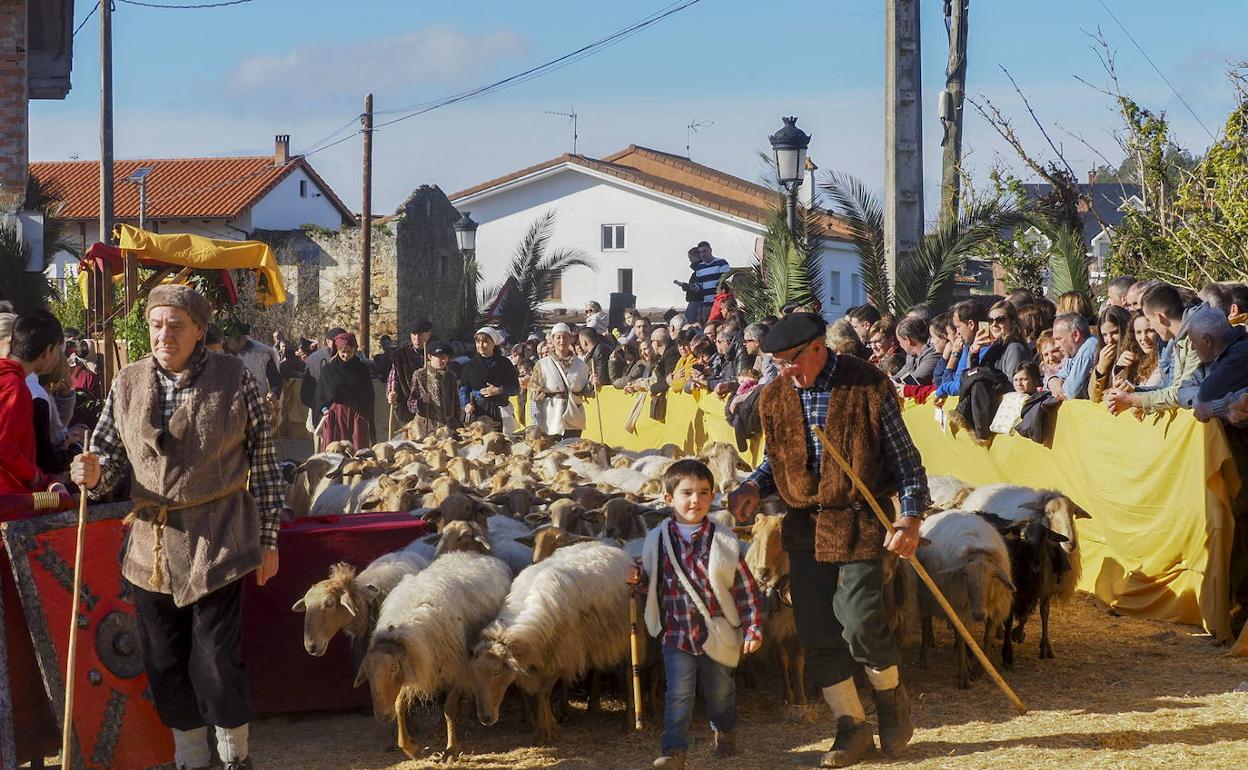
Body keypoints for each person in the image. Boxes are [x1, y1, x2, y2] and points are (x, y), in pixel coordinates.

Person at [69, 284, 281, 770]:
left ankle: (234, 758)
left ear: (199, 331)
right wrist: (95, 473)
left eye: (176, 325)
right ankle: (190, 759)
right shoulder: (127, 383)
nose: (165, 334)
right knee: (163, 662)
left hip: (219, 540)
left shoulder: (236, 379)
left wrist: (268, 539)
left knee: (215, 663)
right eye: (157, 324)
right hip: (151, 547)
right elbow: (109, 458)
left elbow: (266, 464)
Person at [727, 312, 927, 767]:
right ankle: (850, 726)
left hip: (858, 522)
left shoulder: (868, 385)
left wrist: (911, 517)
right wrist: (752, 487)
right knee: (816, 633)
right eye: (776, 363)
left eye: (788, 362)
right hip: (803, 527)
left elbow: (907, 463)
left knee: (859, 622)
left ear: (817, 348)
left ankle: (891, 701)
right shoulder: (776, 396)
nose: (782, 372)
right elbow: (776, 462)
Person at [634, 459, 764, 770]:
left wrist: (753, 627)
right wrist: (637, 580)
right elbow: (651, 585)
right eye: (687, 492)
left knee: (720, 690)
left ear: (713, 497)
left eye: (704, 493)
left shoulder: (724, 540)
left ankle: (725, 733)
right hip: (677, 634)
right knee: (678, 693)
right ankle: (674, 751)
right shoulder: (657, 540)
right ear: (668, 499)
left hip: (718, 632)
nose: (696, 500)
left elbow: (745, 588)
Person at [1106, 283, 1201, 415]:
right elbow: (1171, 388)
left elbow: (1182, 394)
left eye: (1149, 322)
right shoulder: (1177, 340)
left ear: (1158, 317)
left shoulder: (1197, 336)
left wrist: (1134, 400)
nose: (1147, 323)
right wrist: (1134, 392)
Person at [1, 311, 69, 495]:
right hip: (8, 498)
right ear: (47, 351)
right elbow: (4, 447)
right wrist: (36, 477)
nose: (57, 359)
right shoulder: (15, 388)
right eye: (57, 350)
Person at [528, 323, 594, 439]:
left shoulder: (581, 365)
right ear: (552, 340)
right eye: (558, 337)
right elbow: (534, 394)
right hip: (550, 418)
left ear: (571, 339)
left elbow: (586, 392)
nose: (562, 340)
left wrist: (592, 384)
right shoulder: (542, 365)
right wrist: (536, 421)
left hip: (574, 417)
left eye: (565, 337)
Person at [315, 332, 375, 449]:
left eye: (349, 352)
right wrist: (325, 410)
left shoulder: (361, 370)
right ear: (337, 350)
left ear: (354, 350)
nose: (346, 355)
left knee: (357, 452)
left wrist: (364, 414)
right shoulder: (329, 370)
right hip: (335, 416)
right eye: (343, 352)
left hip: (357, 416)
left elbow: (369, 395)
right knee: (334, 452)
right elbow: (320, 394)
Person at [459, 327, 520, 428]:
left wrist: (499, 390)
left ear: (494, 343)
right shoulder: (470, 365)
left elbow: (515, 388)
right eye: (478, 342)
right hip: (478, 411)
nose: (481, 346)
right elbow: (464, 389)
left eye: (485, 342)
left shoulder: (504, 364)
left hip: (500, 409)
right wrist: (466, 404)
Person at [386, 319, 434, 425]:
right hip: (409, 411)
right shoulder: (400, 356)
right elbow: (393, 379)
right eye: (414, 334)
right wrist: (391, 394)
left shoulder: (436, 354)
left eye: (421, 334)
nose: (417, 338)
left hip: (434, 411)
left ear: (429, 334)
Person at [408, 341, 464, 430]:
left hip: (448, 428)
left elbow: (456, 403)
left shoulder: (451, 376)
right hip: (427, 427)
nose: (443, 360)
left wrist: (457, 423)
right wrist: (421, 401)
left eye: (446, 357)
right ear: (430, 356)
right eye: (440, 357)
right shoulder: (420, 375)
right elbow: (411, 404)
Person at [1046, 313, 1099, 401]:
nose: (1056, 346)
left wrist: (1057, 386)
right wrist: (1052, 380)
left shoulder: (1088, 349)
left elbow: (1069, 393)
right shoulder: (1073, 351)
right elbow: (1060, 375)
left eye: (1059, 339)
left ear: (1075, 335)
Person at [225, 323, 282, 401]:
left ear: (241, 339)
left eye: (230, 339)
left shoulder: (262, 354)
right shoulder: (225, 357)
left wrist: (274, 393)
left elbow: (275, 379)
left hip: (260, 404)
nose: (227, 342)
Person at [1089, 305, 1133, 403]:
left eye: (1114, 333)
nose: (1109, 340)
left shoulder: (1132, 354)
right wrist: (1101, 368)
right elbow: (1093, 396)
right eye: (1104, 335)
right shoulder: (1104, 355)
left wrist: (1119, 369)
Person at [893, 316, 938, 386]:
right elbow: (900, 374)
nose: (900, 345)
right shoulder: (911, 356)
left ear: (907, 340)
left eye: (900, 341)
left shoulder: (934, 353)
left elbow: (913, 381)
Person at [675, 248, 706, 322]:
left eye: (691, 258)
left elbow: (698, 287)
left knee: (689, 323)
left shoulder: (700, 272)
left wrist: (686, 286)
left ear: (698, 257)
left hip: (696, 302)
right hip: (697, 302)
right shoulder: (700, 271)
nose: (690, 261)